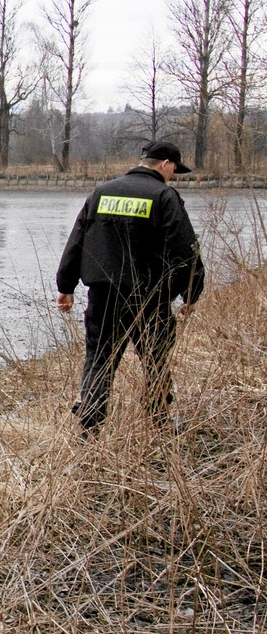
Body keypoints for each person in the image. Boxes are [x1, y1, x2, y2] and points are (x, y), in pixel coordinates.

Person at [56, 140, 205, 435]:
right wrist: (191, 292)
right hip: (149, 297)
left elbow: (77, 241)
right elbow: (186, 250)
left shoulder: (102, 192)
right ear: (164, 164)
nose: (173, 175)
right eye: (174, 169)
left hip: (103, 295)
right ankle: (160, 418)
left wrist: (66, 286)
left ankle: (89, 427)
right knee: (155, 359)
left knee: (100, 358)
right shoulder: (164, 197)